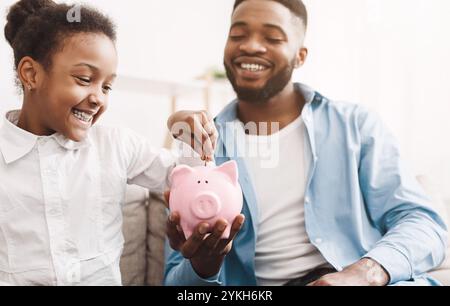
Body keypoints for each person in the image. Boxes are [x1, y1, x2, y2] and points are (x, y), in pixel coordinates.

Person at [165, 0, 448, 286]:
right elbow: (176, 282)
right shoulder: (202, 152)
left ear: (300, 56)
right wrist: (204, 266)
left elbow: (425, 224)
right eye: (237, 35)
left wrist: (365, 273)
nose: (250, 46)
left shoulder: (355, 126)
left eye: (272, 37)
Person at [0, 0, 217, 285]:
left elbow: (187, 181)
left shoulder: (116, 145)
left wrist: (184, 129)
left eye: (106, 86)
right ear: (31, 74)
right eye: (84, 78)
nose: (98, 98)